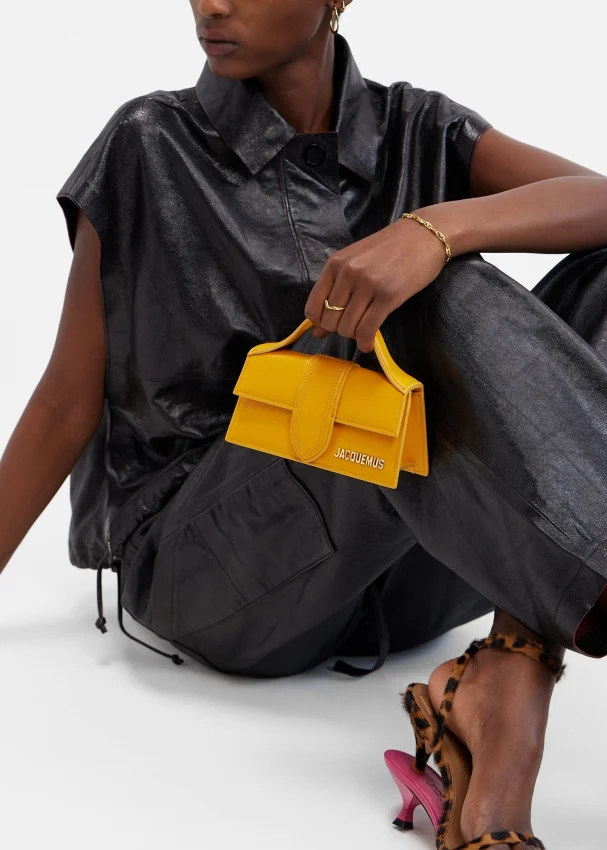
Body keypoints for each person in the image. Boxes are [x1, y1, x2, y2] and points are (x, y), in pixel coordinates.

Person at [2, 1, 607, 848]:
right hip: (215, 566)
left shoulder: (417, 125)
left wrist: (435, 228)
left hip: (414, 567)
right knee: (408, 307)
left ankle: (504, 691)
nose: (212, 4)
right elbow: (65, 402)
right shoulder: (149, 140)